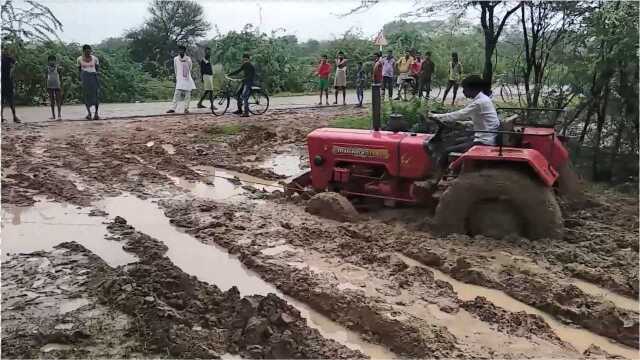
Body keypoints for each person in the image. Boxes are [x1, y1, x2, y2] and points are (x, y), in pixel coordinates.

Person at [429, 75, 500, 169]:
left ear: (473, 89)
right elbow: (484, 121)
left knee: (446, 151)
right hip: (486, 136)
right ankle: (452, 171)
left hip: (484, 141)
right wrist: (465, 123)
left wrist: (435, 116)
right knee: (454, 140)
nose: (463, 91)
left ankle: (437, 178)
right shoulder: (484, 99)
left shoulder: (479, 102)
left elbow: (459, 114)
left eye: (464, 88)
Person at [167, 45, 196, 114]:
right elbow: (175, 69)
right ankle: (173, 108)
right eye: (180, 50)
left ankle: (186, 108)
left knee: (188, 94)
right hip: (180, 78)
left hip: (187, 78)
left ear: (184, 51)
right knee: (177, 93)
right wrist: (177, 77)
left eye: (182, 50)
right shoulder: (176, 59)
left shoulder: (188, 59)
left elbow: (190, 68)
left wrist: (186, 75)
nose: (181, 51)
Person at [228, 53, 255, 117]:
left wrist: (243, 79)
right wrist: (229, 74)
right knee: (238, 94)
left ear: (248, 59)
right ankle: (240, 110)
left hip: (248, 83)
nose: (245, 60)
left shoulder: (250, 66)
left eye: (246, 59)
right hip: (245, 82)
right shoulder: (244, 65)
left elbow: (250, 76)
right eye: (244, 59)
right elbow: (238, 71)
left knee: (244, 96)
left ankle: (246, 113)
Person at [77, 45, 100, 120]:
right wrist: (81, 79)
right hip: (85, 79)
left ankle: (96, 113)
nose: (88, 53)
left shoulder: (95, 59)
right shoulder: (79, 59)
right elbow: (79, 70)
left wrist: (96, 77)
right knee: (86, 96)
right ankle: (89, 113)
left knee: (96, 95)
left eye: (89, 51)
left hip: (93, 78)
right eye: (86, 51)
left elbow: (97, 69)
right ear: (83, 51)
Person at [1, 48, 20, 123]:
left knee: (10, 100)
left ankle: (14, 116)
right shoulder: (3, 58)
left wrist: (12, 70)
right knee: (3, 100)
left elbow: (16, 63)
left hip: (8, 82)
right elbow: (16, 63)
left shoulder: (9, 58)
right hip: (3, 82)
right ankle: (2, 117)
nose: (4, 51)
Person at [46, 54, 63, 120]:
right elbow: (45, 77)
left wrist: (61, 86)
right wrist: (45, 86)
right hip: (49, 86)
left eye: (53, 60)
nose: (52, 62)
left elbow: (61, 77)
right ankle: (53, 115)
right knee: (52, 101)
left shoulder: (58, 68)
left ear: (55, 61)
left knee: (58, 101)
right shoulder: (47, 68)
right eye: (50, 61)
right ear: (48, 61)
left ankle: (59, 115)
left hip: (57, 86)